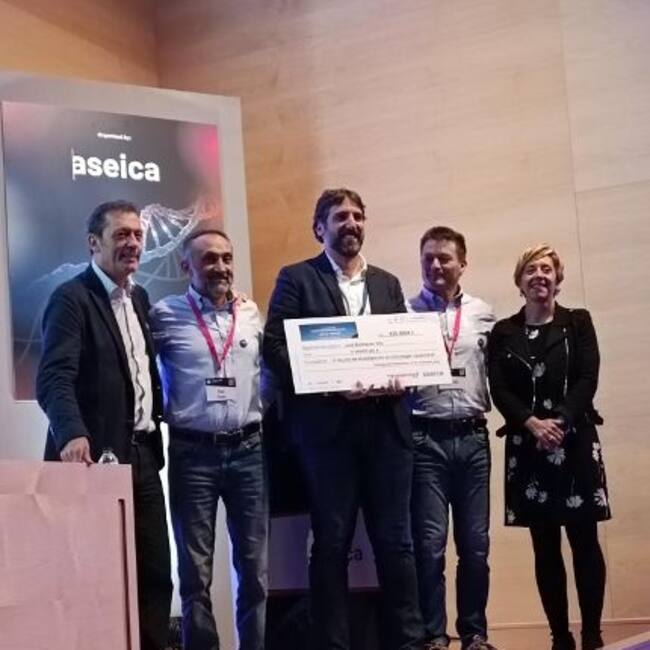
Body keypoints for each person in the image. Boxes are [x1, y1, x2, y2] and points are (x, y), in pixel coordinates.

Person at [263, 188, 424, 650]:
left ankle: (409, 643)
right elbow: (275, 347)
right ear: (320, 228)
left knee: (397, 543)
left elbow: (400, 345)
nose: (351, 223)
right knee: (331, 544)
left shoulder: (388, 283)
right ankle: (332, 645)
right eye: (340, 217)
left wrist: (402, 375)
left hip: (386, 430)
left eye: (357, 216)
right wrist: (329, 383)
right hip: (328, 434)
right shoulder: (297, 278)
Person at [36, 199, 172, 650]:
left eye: (137, 234)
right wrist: (72, 432)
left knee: (155, 574)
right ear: (94, 243)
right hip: (93, 461)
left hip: (143, 457)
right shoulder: (71, 299)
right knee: (94, 579)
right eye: (121, 235)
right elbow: (54, 377)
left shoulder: (140, 298)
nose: (132, 243)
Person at [150, 221, 268, 650]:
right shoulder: (164, 315)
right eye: (209, 259)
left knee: (254, 570)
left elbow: (269, 370)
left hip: (249, 450)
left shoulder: (251, 312)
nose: (221, 267)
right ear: (186, 266)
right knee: (195, 573)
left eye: (226, 258)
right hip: (192, 453)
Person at [488, 244, 611, 650]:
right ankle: (560, 637)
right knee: (544, 546)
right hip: (528, 446)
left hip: (573, 441)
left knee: (584, 541)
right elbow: (499, 388)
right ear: (519, 281)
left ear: (557, 279)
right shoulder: (503, 332)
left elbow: (588, 377)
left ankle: (592, 635)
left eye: (546, 269)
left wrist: (558, 420)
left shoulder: (578, 322)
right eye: (530, 270)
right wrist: (532, 423)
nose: (539, 275)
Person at [408, 227, 498, 650]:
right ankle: (433, 636)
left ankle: (474, 634)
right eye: (428, 258)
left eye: (444, 257)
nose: (435, 265)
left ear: (463, 263)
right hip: (425, 440)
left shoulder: (484, 314)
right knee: (429, 546)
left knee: (475, 546)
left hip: (473, 438)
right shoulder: (404, 314)